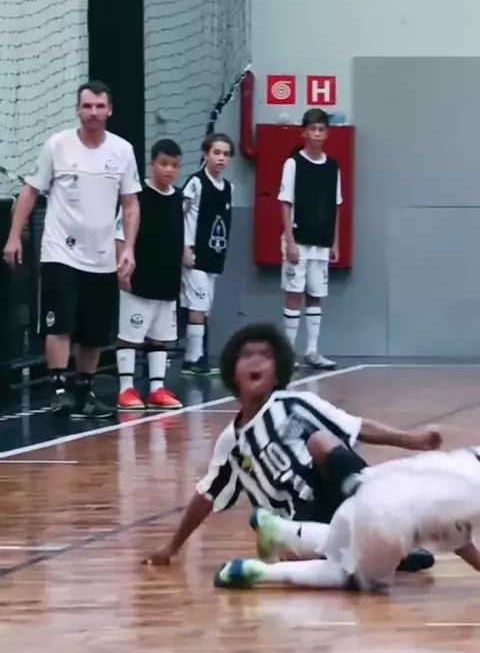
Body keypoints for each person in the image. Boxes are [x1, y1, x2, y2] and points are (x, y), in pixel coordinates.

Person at [144, 323, 441, 567]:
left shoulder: (296, 404)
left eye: (265, 355)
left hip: (333, 501)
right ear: (233, 372)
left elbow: (356, 427)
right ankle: (366, 553)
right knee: (262, 525)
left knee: (322, 441)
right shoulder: (232, 443)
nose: (256, 360)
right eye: (247, 355)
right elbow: (206, 496)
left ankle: (377, 527)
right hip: (297, 526)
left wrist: (413, 440)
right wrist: (171, 547)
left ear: (278, 372)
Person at [3, 80, 141, 418]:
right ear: (78, 109)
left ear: (110, 110)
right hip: (60, 252)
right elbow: (30, 192)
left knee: (94, 332)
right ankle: (58, 390)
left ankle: (84, 391)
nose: (93, 113)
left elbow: (131, 204)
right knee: (59, 323)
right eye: (87, 106)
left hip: (102, 257)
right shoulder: (57, 145)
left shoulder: (122, 151)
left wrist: (128, 248)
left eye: (99, 106)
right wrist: (14, 236)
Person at [214, 446, 480, 594]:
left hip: (369, 488)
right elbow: (461, 541)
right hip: (390, 525)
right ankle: (260, 573)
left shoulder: (467, 457)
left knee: (341, 543)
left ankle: (282, 530)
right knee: (347, 574)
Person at [115, 139, 184, 411]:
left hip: (166, 278)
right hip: (139, 277)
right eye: (164, 163)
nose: (169, 170)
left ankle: (156, 388)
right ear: (152, 163)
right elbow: (120, 234)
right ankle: (126, 388)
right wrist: (122, 269)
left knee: (160, 336)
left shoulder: (178, 198)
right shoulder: (137, 196)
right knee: (130, 335)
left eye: (174, 165)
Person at [279, 108, 341, 370]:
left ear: (327, 133)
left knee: (316, 295)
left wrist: (335, 242)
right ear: (304, 132)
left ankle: (312, 351)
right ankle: (288, 353)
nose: (317, 133)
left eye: (321, 129)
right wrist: (290, 240)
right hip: (299, 239)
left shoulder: (333, 167)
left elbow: (336, 205)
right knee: (294, 294)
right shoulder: (293, 163)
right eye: (312, 129)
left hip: (321, 241)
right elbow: (285, 202)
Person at [181, 132, 235, 375]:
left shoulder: (228, 188)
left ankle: (198, 355)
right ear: (206, 154)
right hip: (195, 256)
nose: (221, 158)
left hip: (214, 255)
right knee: (198, 305)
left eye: (226, 154)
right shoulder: (196, 183)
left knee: (205, 307)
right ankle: (192, 359)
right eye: (216, 153)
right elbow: (180, 215)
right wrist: (184, 247)